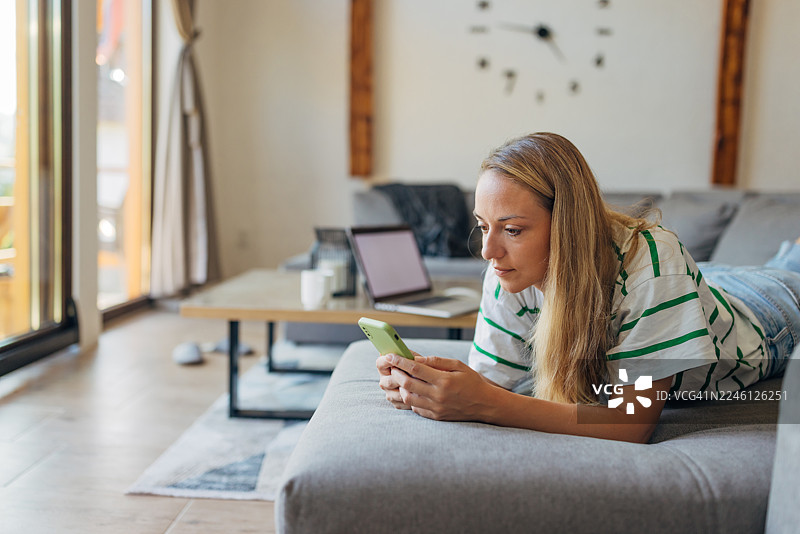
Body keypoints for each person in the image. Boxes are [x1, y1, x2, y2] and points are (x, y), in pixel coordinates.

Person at [376, 132, 800, 443]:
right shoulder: (509, 272)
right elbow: (493, 385)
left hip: (764, 310)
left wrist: (484, 404)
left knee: (789, 266)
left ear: (566, 225)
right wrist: (428, 385)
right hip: (702, 285)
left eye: (512, 229)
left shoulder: (654, 264)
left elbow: (631, 423)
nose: (489, 250)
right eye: (483, 227)